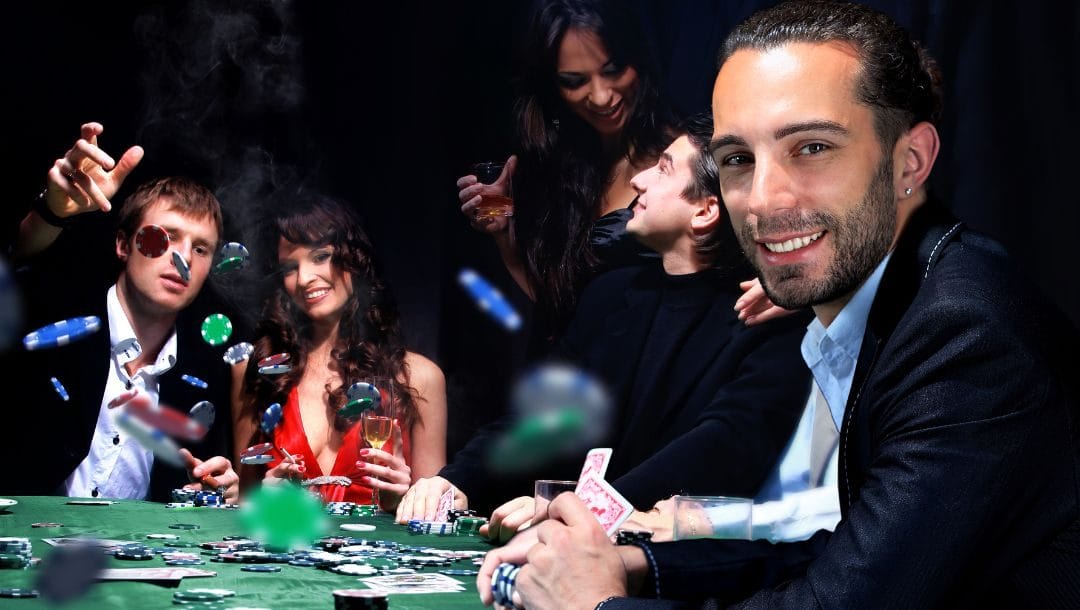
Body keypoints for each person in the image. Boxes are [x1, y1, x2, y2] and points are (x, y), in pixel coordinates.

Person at [477, 2, 1080, 607]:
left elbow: (844, 601)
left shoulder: (964, 333)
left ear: (909, 161)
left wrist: (597, 602)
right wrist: (636, 564)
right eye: (738, 159)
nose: (761, 199)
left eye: (812, 148)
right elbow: (840, 551)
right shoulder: (884, 304)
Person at [398, 115, 811, 531]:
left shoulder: (768, 314)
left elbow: (721, 445)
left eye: (663, 167)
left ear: (705, 212)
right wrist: (454, 480)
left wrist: (583, 509)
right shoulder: (611, 294)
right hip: (574, 537)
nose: (638, 181)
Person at [3, 122, 240, 503]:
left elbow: (188, 493)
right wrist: (52, 211)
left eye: (200, 249)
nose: (181, 260)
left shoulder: (204, 372)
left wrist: (219, 490)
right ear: (122, 245)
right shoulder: (51, 320)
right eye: (164, 237)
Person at [457, 0, 676, 347]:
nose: (602, 96)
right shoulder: (562, 167)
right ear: (552, 87)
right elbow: (560, 307)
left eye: (613, 69)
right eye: (575, 81)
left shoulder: (684, 158)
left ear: (638, 59)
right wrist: (504, 237)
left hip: (661, 381)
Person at [232, 193, 447, 510]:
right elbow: (242, 504)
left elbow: (438, 514)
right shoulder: (256, 367)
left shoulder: (420, 377)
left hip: (379, 557)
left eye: (320, 257)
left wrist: (403, 497)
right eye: (290, 267)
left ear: (354, 259)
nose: (305, 279)